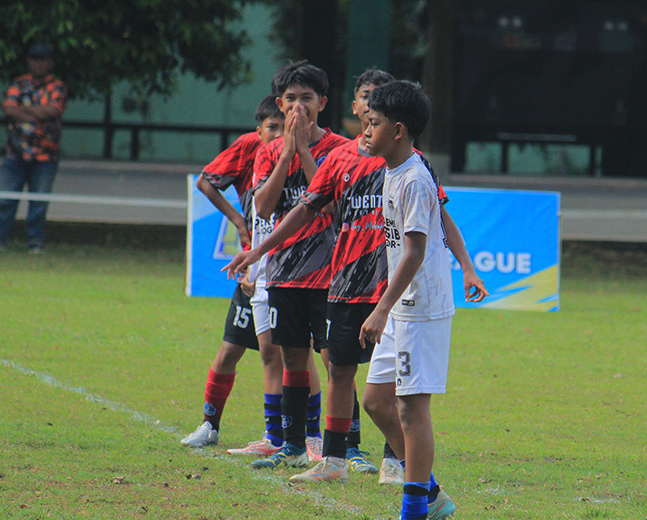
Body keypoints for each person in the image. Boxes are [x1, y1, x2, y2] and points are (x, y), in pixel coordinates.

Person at [224, 70, 487, 489]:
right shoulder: (353, 161)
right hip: (350, 284)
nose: (366, 119)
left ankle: (406, 476)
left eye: (375, 114)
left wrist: (466, 266)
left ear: (395, 127)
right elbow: (308, 207)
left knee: (406, 401)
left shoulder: (411, 172)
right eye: (364, 107)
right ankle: (341, 459)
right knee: (360, 386)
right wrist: (259, 248)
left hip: (398, 294)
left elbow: (430, 231)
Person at [351, 80, 460, 520]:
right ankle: (432, 495)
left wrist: (380, 309)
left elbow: (413, 252)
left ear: (398, 131)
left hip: (420, 309)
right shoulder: (393, 170)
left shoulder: (414, 179)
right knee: (376, 401)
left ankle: (415, 518)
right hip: (401, 308)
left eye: (372, 123)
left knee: (412, 410)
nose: (364, 129)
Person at [243, 60, 348, 471]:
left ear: (322, 102)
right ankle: (293, 444)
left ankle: (343, 447)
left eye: (307, 99)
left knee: (333, 361)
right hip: (284, 272)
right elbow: (264, 208)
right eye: (290, 100)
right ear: (279, 104)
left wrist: (304, 149)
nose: (298, 108)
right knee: (292, 359)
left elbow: (333, 206)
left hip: (330, 274)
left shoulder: (341, 149)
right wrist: (287, 151)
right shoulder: (268, 152)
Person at [180, 96, 283, 448]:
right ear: (259, 130)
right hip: (255, 269)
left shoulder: (304, 154)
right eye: (272, 128)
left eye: (285, 128)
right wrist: (239, 220)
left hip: (290, 271)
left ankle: (290, 435)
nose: (279, 134)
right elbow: (207, 181)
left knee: (288, 356)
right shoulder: (250, 148)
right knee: (229, 351)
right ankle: (210, 425)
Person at [0, 42, 67, 254]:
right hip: (15, 153)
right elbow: (9, 111)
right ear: (29, 61)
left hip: (45, 155)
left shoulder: (58, 87)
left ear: (50, 63)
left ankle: (35, 242)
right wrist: (37, 112)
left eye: (43, 59)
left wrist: (25, 109)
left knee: (39, 202)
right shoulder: (17, 84)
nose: (39, 64)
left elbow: (54, 111)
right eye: (35, 59)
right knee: (6, 199)